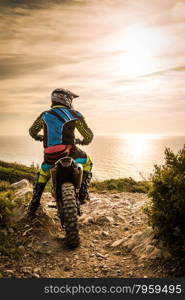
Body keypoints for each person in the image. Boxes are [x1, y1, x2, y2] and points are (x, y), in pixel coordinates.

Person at [27, 88, 93, 218]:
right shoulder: (74, 114)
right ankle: (82, 195)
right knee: (88, 162)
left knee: (42, 174)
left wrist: (39, 137)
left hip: (50, 157)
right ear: (67, 99)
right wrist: (83, 141)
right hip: (70, 153)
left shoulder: (44, 115)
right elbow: (89, 135)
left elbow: (32, 131)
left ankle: (33, 206)